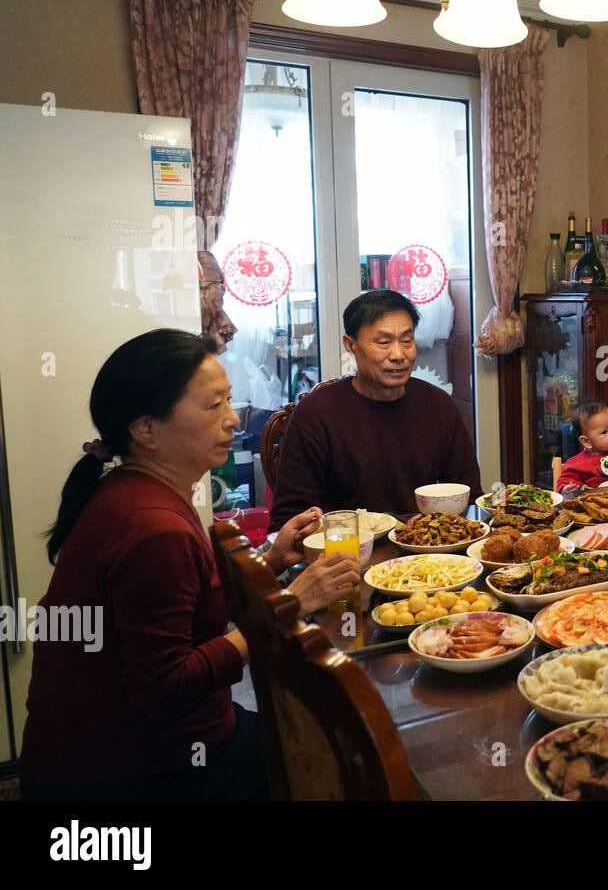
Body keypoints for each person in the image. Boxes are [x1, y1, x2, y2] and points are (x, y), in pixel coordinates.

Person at [21, 330, 359, 800]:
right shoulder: (152, 527)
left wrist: (272, 558)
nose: (233, 419)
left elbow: (185, 608)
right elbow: (166, 687)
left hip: (143, 745)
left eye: (229, 401)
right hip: (128, 770)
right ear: (146, 430)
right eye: (212, 406)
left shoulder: (135, 489)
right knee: (343, 759)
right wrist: (290, 604)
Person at [270, 290, 482, 527]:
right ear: (350, 344)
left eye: (406, 341)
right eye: (383, 342)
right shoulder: (316, 413)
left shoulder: (438, 405)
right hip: (347, 554)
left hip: (428, 552)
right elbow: (289, 519)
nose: (398, 355)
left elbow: (469, 497)